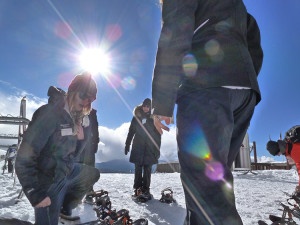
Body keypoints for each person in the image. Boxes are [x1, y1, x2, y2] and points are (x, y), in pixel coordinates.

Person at [151, 1, 263, 224]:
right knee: (215, 179)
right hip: (244, 91)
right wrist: (241, 76)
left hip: (205, 87)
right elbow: (253, 38)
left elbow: (175, 35)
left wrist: (162, 101)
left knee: (204, 186)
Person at [15, 72, 100, 225]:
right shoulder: (49, 114)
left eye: (90, 100)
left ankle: (64, 209)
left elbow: (73, 154)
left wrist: (81, 139)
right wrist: (35, 193)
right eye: (83, 96)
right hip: (47, 181)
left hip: (65, 170)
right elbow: (23, 159)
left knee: (91, 174)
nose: (86, 102)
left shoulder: (75, 116)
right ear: (72, 91)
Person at [125, 98, 161, 199]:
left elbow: (158, 136)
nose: (146, 108)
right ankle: (137, 189)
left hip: (150, 147)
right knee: (138, 168)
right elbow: (131, 131)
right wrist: (127, 144)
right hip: (138, 146)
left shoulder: (154, 118)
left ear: (150, 108)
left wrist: (157, 149)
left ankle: (146, 190)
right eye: (144, 106)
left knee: (147, 169)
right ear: (142, 106)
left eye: (148, 106)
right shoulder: (136, 117)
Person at [76, 108, 100, 201]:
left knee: (90, 168)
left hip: (89, 145)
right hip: (77, 144)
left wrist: (96, 143)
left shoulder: (92, 113)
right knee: (77, 168)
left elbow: (95, 128)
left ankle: (89, 192)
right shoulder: (74, 109)